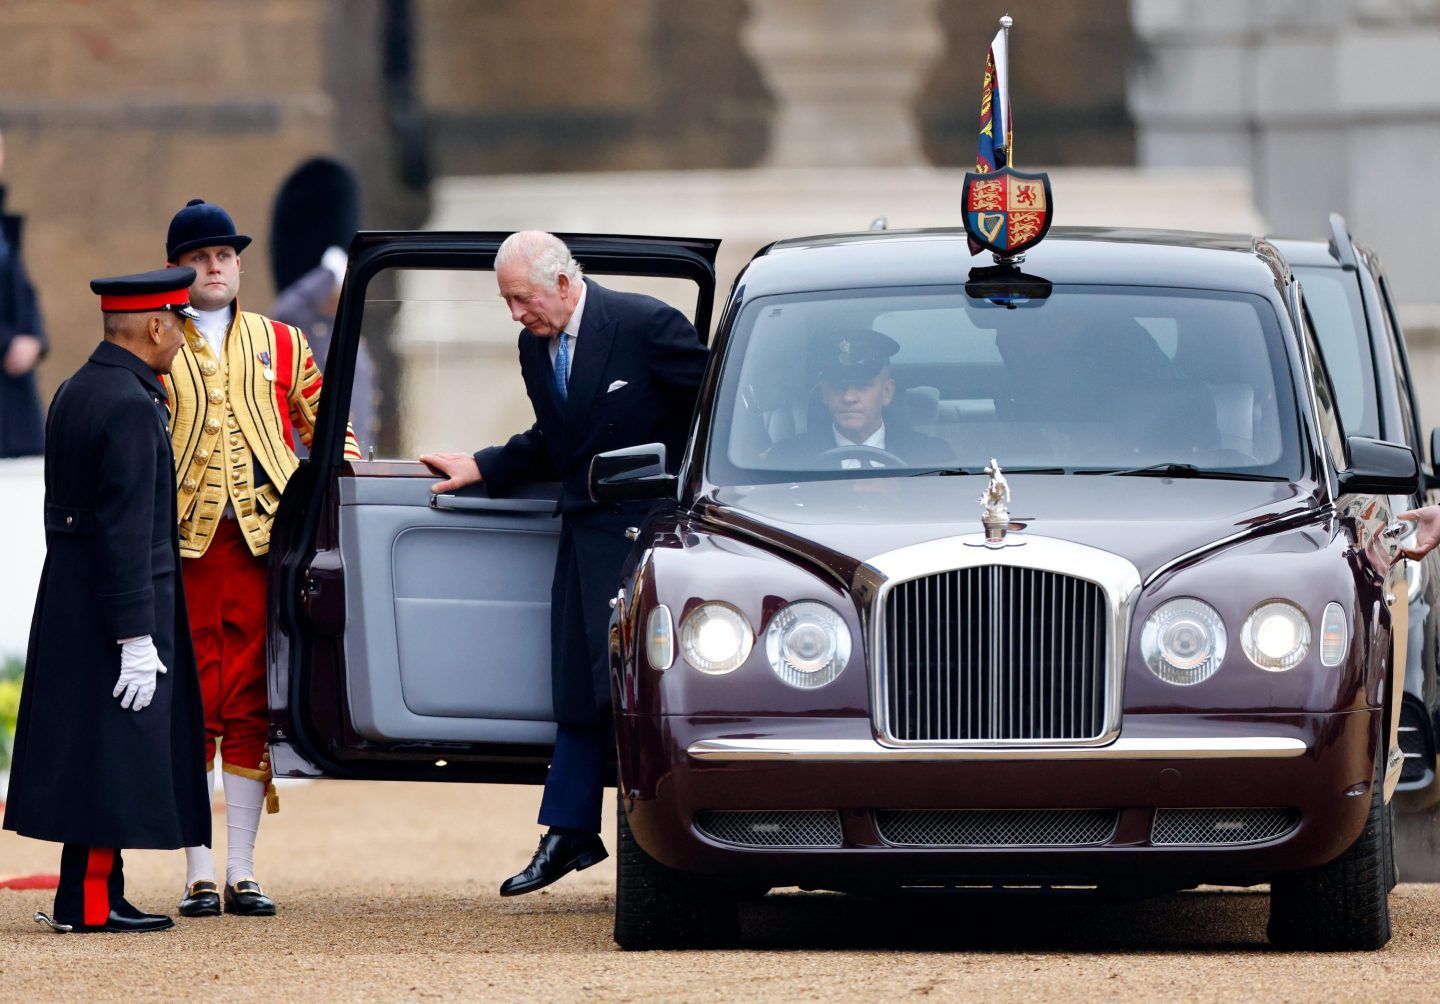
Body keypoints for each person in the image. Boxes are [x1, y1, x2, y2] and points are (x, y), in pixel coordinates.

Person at [420, 231, 708, 897]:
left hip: (648, 540)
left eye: (522, 300)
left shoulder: (645, 323)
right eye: (508, 303)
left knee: (636, 696)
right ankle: (570, 831)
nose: (516, 315)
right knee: (578, 690)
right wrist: (483, 466)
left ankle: (659, 848)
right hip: (584, 533)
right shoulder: (535, 345)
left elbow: (715, 412)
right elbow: (557, 438)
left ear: (562, 283)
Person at [161, 199, 360, 919]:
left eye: (225, 255)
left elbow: (329, 429)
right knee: (192, 706)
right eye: (201, 256)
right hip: (180, 552)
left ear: (239, 265)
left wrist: (336, 502)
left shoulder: (283, 341)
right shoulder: (156, 341)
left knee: (250, 703)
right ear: (178, 268)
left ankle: (242, 868)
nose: (216, 265)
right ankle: (197, 871)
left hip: (261, 551)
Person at [3, 267, 210, 933]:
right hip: (112, 602)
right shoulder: (128, 402)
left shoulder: (79, 387)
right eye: (178, 324)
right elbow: (126, 529)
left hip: (75, 595)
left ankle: (98, 894)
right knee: (111, 749)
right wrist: (136, 636)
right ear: (154, 326)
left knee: (99, 744)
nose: (181, 339)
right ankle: (89, 904)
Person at [765, 328, 954, 469]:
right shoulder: (787, 459)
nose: (848, 397)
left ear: (887, 392)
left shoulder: (932, 456)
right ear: (824, 393)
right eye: (839, 386)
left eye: (863, 386)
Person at [271, 246, 379, 450]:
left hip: (354, 454)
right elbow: (284, 309)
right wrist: (329, 272)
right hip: (316, 456)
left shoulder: (340, 328)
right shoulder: (308, 329)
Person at [0, 128, 48, 458]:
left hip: (15, 396)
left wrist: (35, 339)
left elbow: (26, 295)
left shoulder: (4, 228)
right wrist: (8, 343)